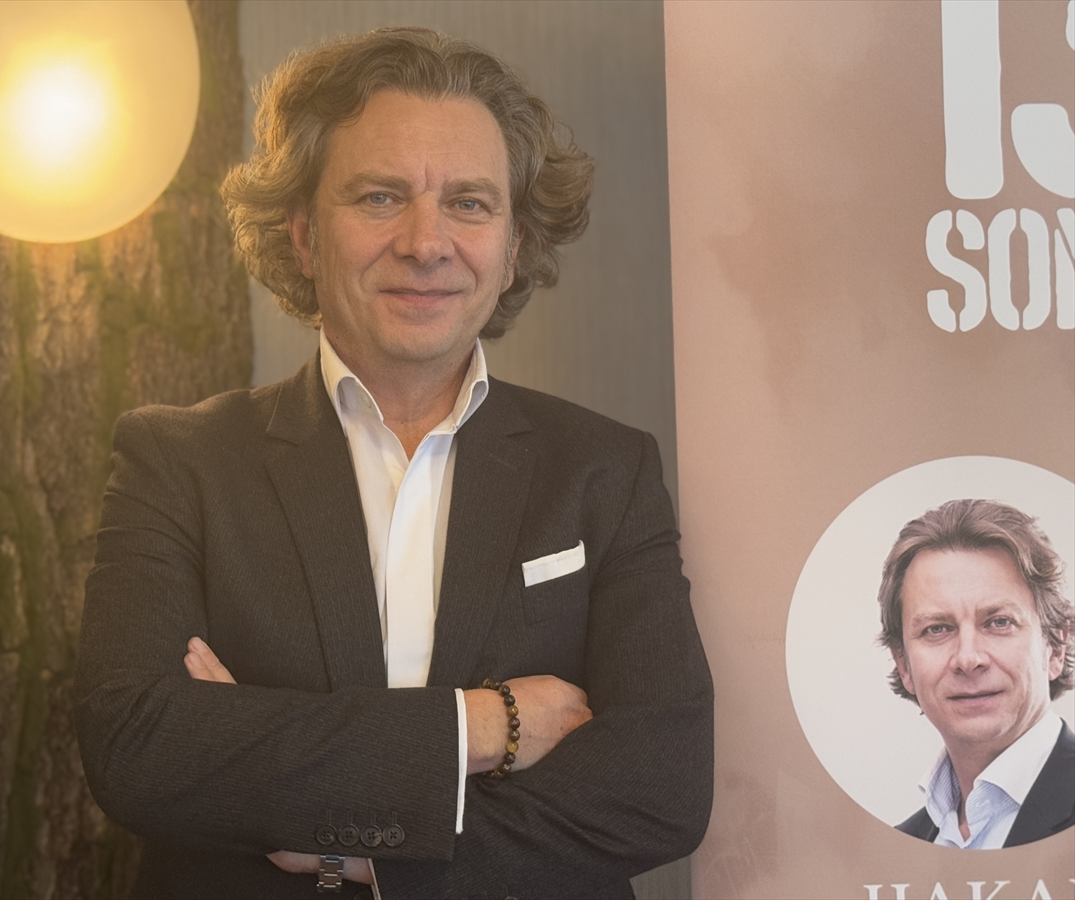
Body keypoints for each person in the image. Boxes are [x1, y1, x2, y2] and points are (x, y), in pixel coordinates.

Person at [75, 27, 713, 899]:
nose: (425, 241)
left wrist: (351, 847)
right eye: (380, 197)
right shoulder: (178, 462)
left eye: (470, 203)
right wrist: (485, 725)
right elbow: (140, 750)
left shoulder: (607, 470)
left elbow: (659, 790)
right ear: (302, 235)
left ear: (514, 247)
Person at [876, 498, 1075, 849]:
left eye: (999, 622)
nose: (968, 659)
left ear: (1056, 647)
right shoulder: (892, 853)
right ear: (904, 665)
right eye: (937, 629)